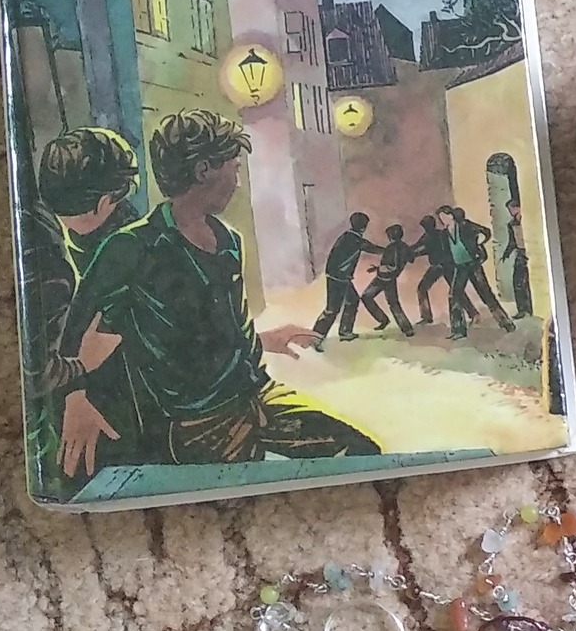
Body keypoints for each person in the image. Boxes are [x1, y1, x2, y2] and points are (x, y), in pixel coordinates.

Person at [59, 109, 380, 475]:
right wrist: (75, 397)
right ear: (204, 170)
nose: (238, 183)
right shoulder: (132, 247)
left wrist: (263, 339)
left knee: (363, 452)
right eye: (234, 168)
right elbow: (75, 330)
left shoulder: (229, 241)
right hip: (197, 424)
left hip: (257, 397)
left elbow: (216, 329)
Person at [21, 127, 141, 487]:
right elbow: (35, 372)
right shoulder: (51, 267)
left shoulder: (36, 214)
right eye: (116, 199)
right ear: (102, 204)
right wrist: (80, 370)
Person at [308, 211, 387, 348]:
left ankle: (345, 332)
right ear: (363, 226)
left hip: (340, 276)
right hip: (338, 278)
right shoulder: (354, 239)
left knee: (352, 301)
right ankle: (315, 338)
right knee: (332, 309)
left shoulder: (348, 236)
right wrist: (390, 250)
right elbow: (371, 248)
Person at [439, 202, 515, 332]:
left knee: (486, 294)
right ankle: (458, 330)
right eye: (440, 218)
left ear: (451, 216)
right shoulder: (444, 234)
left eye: (443, 217)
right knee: (454, 295)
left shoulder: (465, 225)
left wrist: (479, 244)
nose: (442, 220)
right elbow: (447, 251)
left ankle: (506, 323)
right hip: (460, 267)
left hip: (473, 265)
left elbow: (486, 232)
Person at [359, 222, 419, 336]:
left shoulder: (391, 248)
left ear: (391, 236)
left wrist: (378, 268)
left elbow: (391, 266)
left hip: (382, 278)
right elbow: (411, 259)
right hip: (391, 279)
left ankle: (383, 319)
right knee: (394, 304)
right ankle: (407, 329)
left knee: (366, 297)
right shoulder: (405, 247)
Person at [414, 212, 467, 335]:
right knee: (456, 292)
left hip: (440, 265)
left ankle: (426, 316)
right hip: (444, 265)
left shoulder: (431, 236)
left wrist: (411, 254)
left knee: (423, 288)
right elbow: (417, 247)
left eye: (425, 226)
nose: (425, 228)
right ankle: (473, 313)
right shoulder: (436, 234)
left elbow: (421, 249)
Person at [501, 198, 533, 318]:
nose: (511, 211)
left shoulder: (527, 220)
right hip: (520, 254)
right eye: (510, 209)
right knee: (517, 282)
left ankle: (530, 308)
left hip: (530, 252)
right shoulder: (511, 224)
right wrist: (506, 253)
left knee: (528, 283)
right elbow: (512, 241)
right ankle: (522, 309)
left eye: (512, 209)